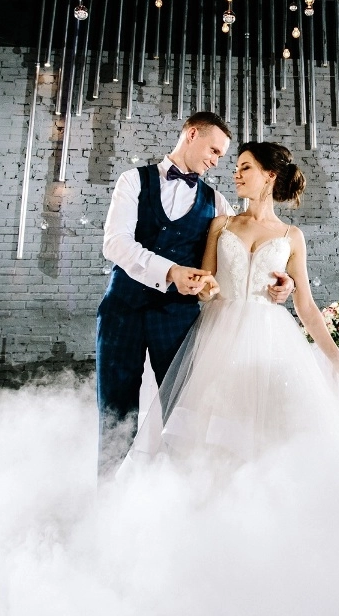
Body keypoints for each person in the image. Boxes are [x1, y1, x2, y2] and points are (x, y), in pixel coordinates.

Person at [132, 142, 339, 464]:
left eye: (245, 167)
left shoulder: (291, 236)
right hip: (218, 338)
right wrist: (205, 288)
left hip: (269, 339)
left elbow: (307, 308)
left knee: (267, 436)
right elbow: (206, 289)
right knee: (212, 434)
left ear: (269, 175)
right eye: (236, 168)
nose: (236, 174)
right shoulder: (222, 224)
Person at [97, 113, 294, 474]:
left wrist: (286, 282)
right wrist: (171, 271)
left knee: (183, 416)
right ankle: (109, 494)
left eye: (223, 156)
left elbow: (244, 253)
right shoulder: (133, 180)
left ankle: (180, 495)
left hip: (178, 320)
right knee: (114, 410)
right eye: (214, 151)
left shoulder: (217, 203)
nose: (217, 162)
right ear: (191, 134)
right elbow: (115, 243)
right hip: (121, 311)